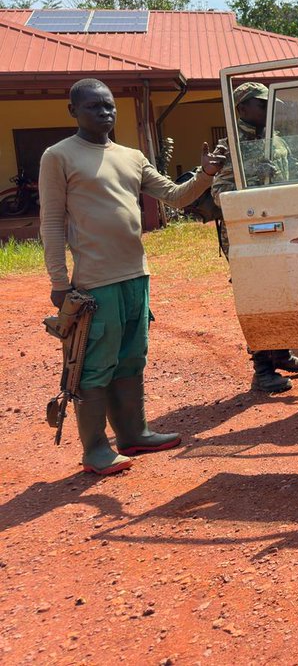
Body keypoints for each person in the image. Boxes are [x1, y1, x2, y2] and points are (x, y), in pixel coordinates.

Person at [39, 78, 227, 476]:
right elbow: (52, 223)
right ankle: (95, 450)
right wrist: (59, 282)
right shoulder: (58, 156)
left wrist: (206, 174)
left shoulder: (131, 155)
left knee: (131, 359)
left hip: (135, 276)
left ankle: (133, 433)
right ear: (73, 111)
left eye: (109, 106)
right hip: (93, 284)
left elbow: (175, 196)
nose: (105, 113)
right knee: (93, 366)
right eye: (94, 107)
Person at [211, 81, 298, 393]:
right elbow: (218, 193)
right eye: (260, 104)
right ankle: (262, 369)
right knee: (258, 297)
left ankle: (281, 354)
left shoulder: (277, 141)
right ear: (242, 107)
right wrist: (253, 179)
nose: (269, 109)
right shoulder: (229, 146)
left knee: (282, 292)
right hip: (248, 235)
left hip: (281, 231)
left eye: (270, 103)